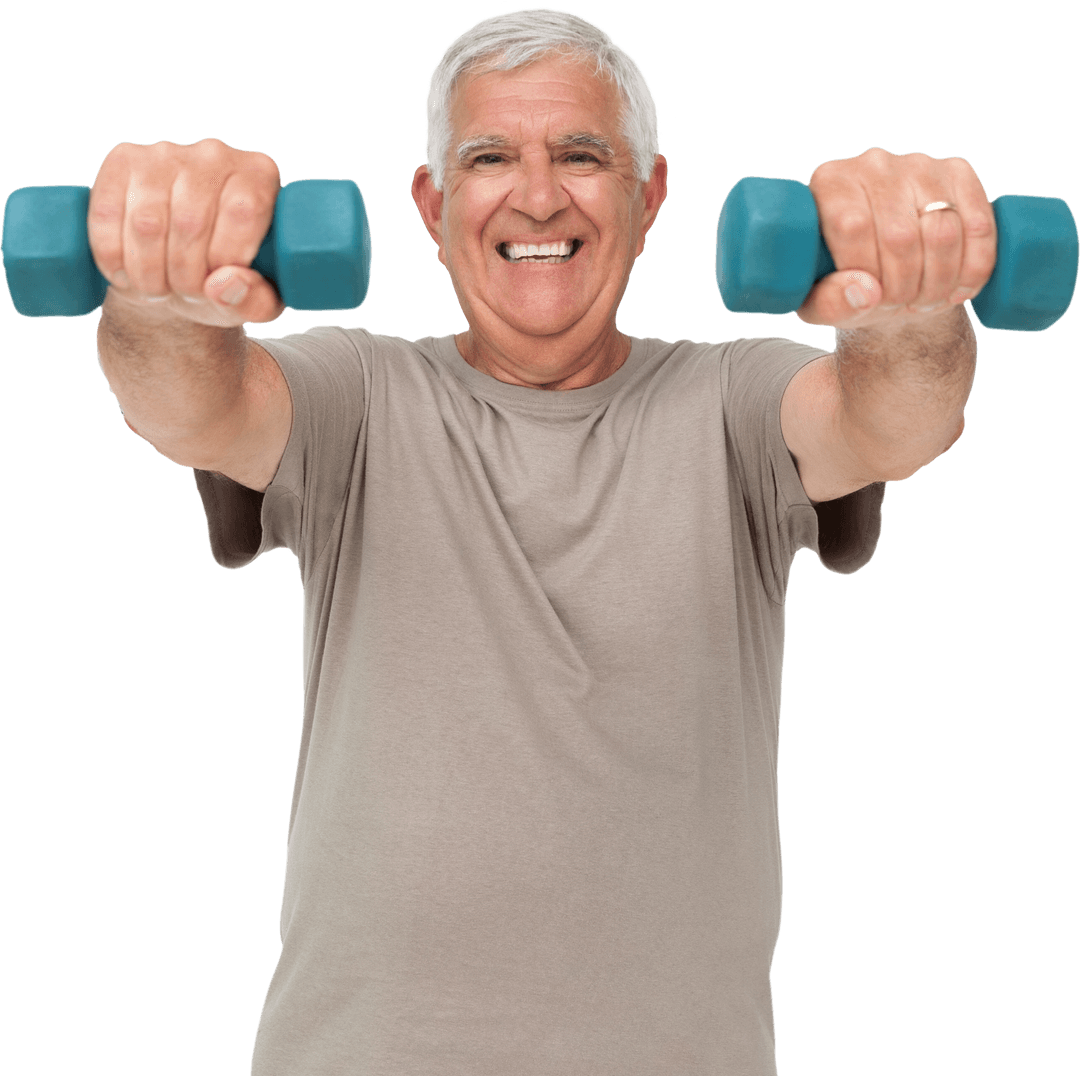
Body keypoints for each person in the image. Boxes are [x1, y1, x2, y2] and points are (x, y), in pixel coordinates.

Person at [90, 8, 988, 1074]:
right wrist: (159, 300)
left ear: (649, 194)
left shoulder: (733, 400)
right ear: (432, 204)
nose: (538, 193)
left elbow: (890, 420)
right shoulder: (360, 393)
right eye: (488, 157)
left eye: (581, 153)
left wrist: (912, 315)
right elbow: (196, 403)